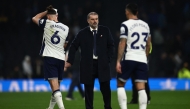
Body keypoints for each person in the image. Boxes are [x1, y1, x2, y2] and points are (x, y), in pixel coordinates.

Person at [65, 12, 114, 109]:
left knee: (106, 89)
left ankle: (108, 107)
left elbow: (111, 46)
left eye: (96, 19)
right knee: (88, 90)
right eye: (92, 19)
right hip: (88, 65)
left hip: (102, 64)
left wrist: (108, 59)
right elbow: (73, 46)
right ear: (88, 21)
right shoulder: (82, 33)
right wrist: (70, 61)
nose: (95, 21)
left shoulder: (105, 30)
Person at [32, 5, 69, 109]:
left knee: (54, 88)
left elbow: (34, 18)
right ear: (57, 16)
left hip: (50, 57)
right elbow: (65, 44)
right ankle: (50, 108)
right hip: (61, 58)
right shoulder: (66, 28)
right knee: (56, 87)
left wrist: (45, 11)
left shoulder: (47, 23)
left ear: (48, 16)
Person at [116, 3, 151, 109]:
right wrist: (144, 57)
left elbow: (122, 43)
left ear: (127, 12)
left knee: (120, 84)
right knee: (141, 88)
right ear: (137, 12)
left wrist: (118, 61)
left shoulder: (125, 24)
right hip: (142, 59)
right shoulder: (146, 25)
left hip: (129, 58)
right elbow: (148, 45)